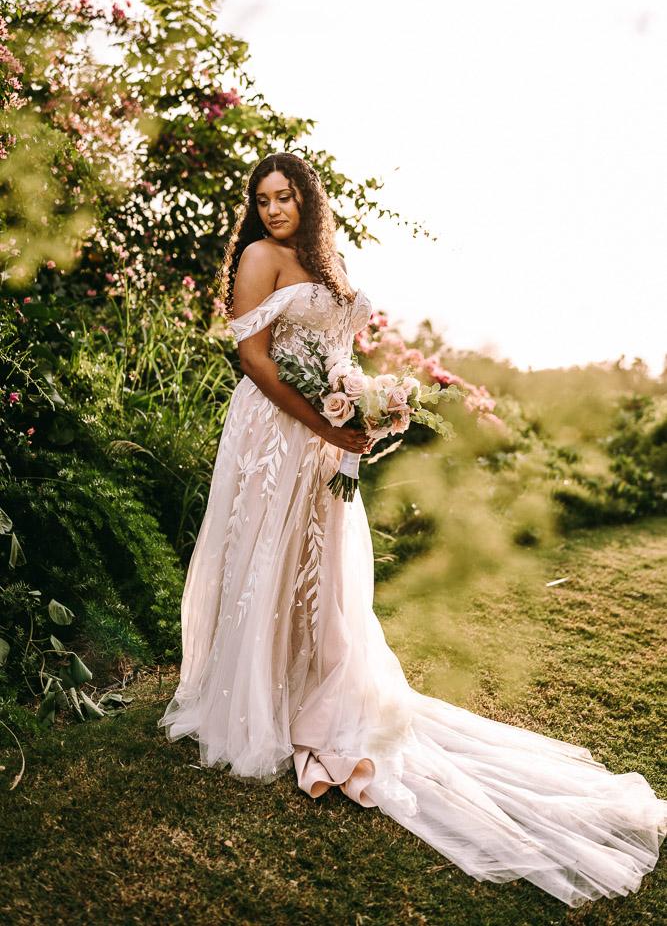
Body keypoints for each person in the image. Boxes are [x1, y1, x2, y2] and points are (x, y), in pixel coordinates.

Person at [158, 152, 666, 907]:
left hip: (325, 433)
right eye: (261, 200)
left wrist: (368, 403)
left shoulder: (324, 260)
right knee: (270, 560)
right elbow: (253, 360)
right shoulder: (260, 258)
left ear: (307, 199)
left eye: (284, 197)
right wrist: (316, 420)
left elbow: (341, 353)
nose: (271, 211)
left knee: (322, 570)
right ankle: (260, 696)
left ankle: (317, 685)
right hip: (273, 434)